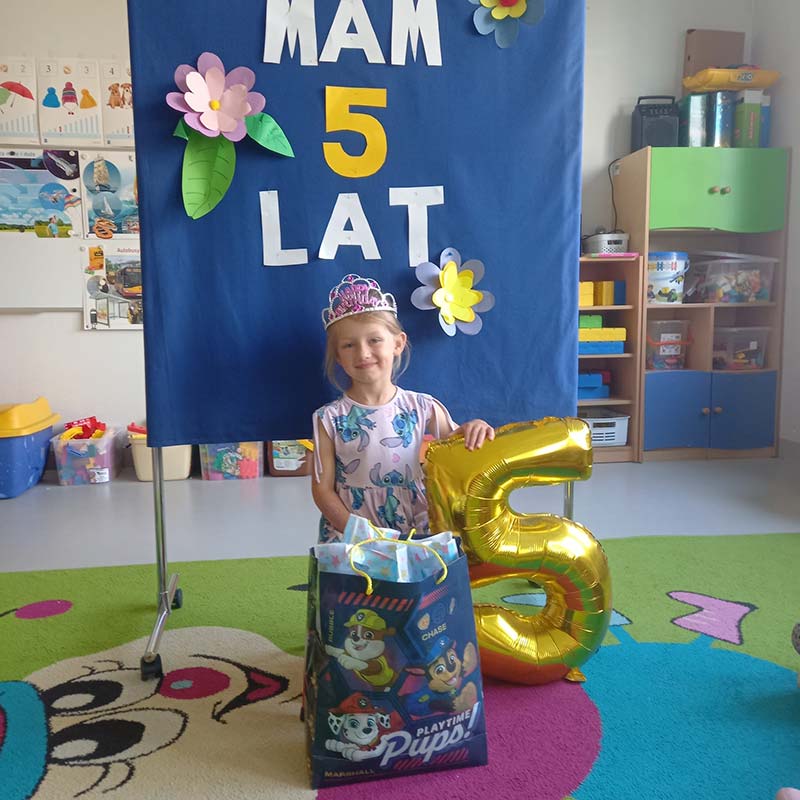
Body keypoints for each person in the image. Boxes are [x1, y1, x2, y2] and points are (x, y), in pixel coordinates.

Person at [312, 274, 494, 543]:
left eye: (374, 340)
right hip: (354, 532)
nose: (363, 353)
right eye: (349, 345)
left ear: (397, 344)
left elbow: (458, 445)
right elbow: (322, 490)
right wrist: (357, 532)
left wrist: (474, 426)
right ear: (339, 356)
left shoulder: (423, 406)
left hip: (415, 526)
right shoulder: (328, 419)